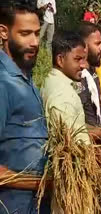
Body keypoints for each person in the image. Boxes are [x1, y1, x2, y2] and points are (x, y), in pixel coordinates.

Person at [0, 1, 50, 213]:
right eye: (25, 33)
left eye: (37, 34)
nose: (34, 42)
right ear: (3, 32)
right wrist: (40, 183)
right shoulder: (3, 84)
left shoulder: (25, 80)